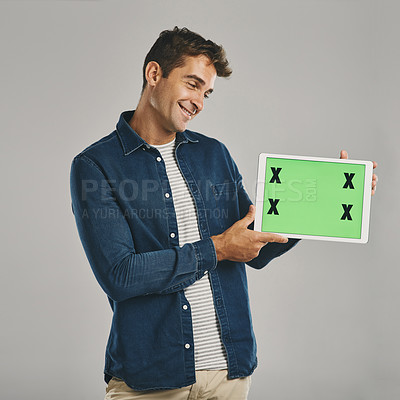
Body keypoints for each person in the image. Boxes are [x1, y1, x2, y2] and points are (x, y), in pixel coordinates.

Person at [70, 27, 378, 400]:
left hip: (227, 374)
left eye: (207, 92)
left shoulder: (214, 154)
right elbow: (120, 275)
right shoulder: (96, 165)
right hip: (149, 378)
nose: (198, 101)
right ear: (154, 74)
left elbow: (255, 246)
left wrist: (327, 198)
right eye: (192, 84)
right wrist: (217, 248)